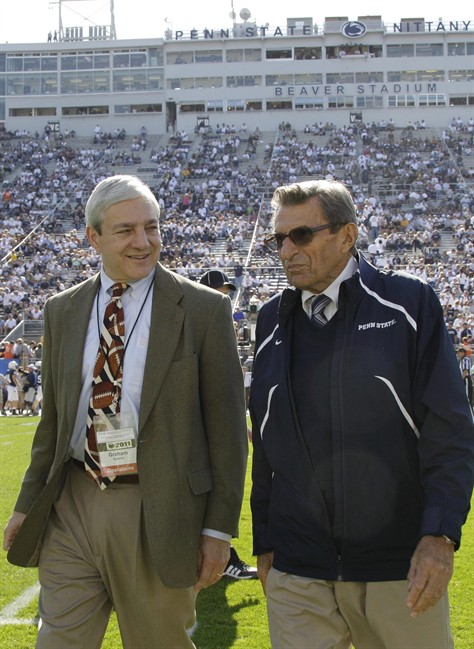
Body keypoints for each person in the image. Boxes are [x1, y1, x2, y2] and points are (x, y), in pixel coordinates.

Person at [3, 175, 248, 649]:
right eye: (126, 230)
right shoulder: (61, 309)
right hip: (71, 499)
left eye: (151, 227)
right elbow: (52, 423)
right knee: (58, 641)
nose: (143, 242)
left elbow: (227, 432)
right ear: (93, 237)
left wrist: (218, 530)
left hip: (157, 505)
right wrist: (26, 502)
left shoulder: (202, 309)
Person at [249, 179, 474, 649]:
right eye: (279, 239)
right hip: (298, 569)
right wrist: (265, 541)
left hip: (397, 565)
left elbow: (449, 430)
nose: (286, 250)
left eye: (301, 236)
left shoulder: (409, 305)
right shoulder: (270, 319)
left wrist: (439, 536)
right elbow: (267, 441)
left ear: (348, 236)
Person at [199, 269, 258, 581]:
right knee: (214, 488)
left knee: (220, 487)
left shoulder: (217, 324)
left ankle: (222, 555)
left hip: (219, 426)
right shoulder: (200, 324)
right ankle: (225, 558)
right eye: (220, 290)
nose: (226, 296)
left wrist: (239, 425)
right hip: (204, 431)